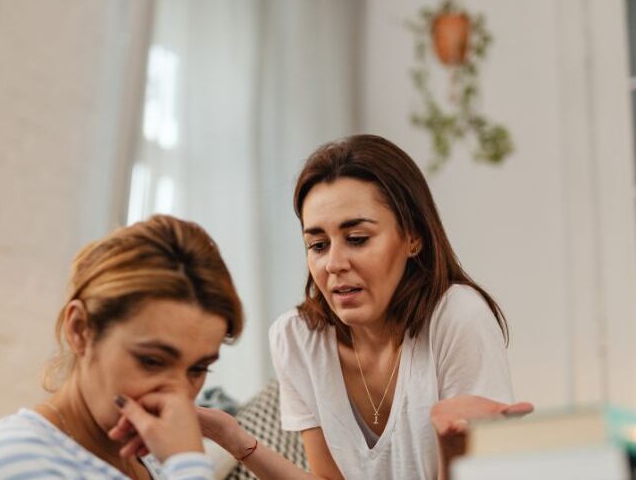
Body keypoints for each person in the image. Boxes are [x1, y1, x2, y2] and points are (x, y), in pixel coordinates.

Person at [195, 134, 532, 480]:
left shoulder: (458, 318)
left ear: (413, 237)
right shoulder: (296, 338)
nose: (334, 264)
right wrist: (232, 439)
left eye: (357, 239)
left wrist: (453, 450)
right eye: (318, 245)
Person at [0, 214, 244, 480]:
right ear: (80, 329)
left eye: (198, 368)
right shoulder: (13, 461)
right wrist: (189, 465)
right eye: (151, 361)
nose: (178, 397)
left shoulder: (148, 459)